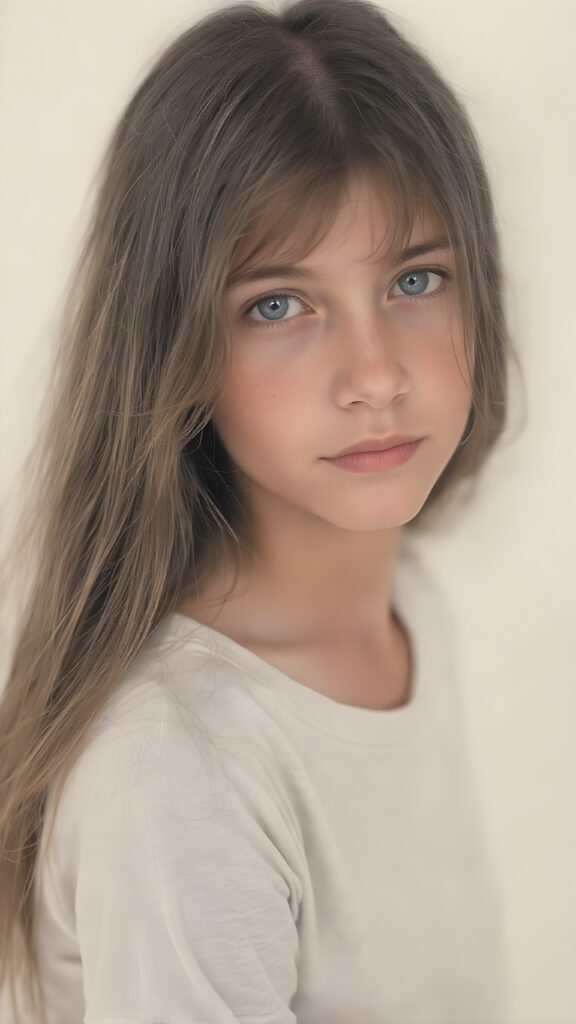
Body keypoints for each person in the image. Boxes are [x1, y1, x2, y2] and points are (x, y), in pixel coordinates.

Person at [0, 1, 517, 1021]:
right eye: (279, 304)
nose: (374, 376)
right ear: (175, 344)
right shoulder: (177, 771)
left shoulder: (410, 603)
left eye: (416, 279)